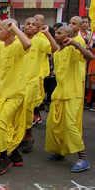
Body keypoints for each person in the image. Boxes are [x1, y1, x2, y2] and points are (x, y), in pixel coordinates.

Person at [0, 18, 31, 176]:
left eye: (1, 30)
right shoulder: (1, 46)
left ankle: (5, 157)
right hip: (3, 94)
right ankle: (15, 155)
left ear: (10, 31)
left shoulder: (18, 45)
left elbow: (28, 44)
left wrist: (14, 27)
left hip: (15, 94)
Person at [46, 25, 93, 173]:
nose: (57, 35)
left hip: (73, 94)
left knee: (71, 125)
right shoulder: (58, 53)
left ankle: (83, 158)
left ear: (68, 36)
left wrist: (75, 44)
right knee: (55, 124)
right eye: (56, 33)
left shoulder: (74, 48)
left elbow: (90, 57)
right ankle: (60, 152)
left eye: (60, 33)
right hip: (59, 93)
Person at [19, 17, 58, 154]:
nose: (30, 26)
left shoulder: (40, 41)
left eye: (33, 25)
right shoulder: (18, 38)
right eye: (27, 23)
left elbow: (54, 48)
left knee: (27, 110)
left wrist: (47, 33)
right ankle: (19, 137)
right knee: (17, 111)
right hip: (17, 81)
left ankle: (28, 136)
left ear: (37, 29)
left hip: (33, 82)